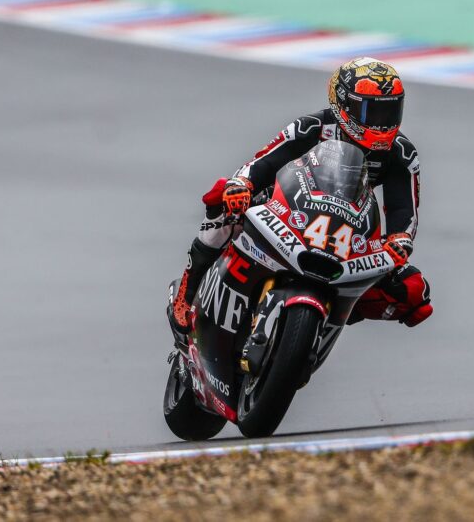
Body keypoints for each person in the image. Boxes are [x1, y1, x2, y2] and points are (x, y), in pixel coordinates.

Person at [168, 57, 432, 338]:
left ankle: (329, 316)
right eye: (373, 113)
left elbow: (405, 209)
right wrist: (242, 184)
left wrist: (399, 240)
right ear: (344, 105)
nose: (383, 124)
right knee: (222, 199)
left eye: (391, 111)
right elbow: (265, 162)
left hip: (348, 233)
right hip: (287, 210)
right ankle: (189, 288)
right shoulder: (312, 127)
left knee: (414, 291)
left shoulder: (401, 153)